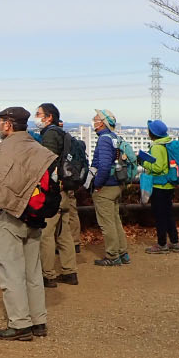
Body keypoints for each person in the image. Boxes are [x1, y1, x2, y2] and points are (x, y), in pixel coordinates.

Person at [0, 106, 56, 341]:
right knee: (32, 272)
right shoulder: (37, 147)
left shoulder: (6, 150)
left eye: (0, 122)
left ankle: (19, 323)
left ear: (8, 124)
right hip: (36, 215)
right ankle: (39, 321)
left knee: (11, 270)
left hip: (11, 215)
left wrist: (10, 204)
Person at [34, 103, 78, 287]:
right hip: (66, 189)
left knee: (47, 234)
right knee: (64, 233)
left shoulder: (50, 134)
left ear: (48, 117)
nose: (35, 117)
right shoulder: (63, 133)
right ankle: (70, 272)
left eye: (38, 114)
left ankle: (48, 274)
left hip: (54, 191)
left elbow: (47, 162)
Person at [89, 109, 129, 267]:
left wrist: (97, 184)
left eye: (96, 119)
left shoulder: (104, 140)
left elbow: (104, 165)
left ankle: (112, 255)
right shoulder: (114, 137)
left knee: (107, 223)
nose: (93, 121)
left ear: (102, 122)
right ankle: (122, 252)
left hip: (106, 186)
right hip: (116, 184)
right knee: (115, 220)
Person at [140, 119, 179, 254]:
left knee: (160, 216)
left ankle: (162, 244)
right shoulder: (167, 143)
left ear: (153, 133)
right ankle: (174, 242)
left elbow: (157, 167)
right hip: (169, 184)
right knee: (168, 214)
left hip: (159, 185)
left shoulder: (157, 147)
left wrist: (143, 162)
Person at [57, 119, 83, 254]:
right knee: (72, 211)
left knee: (61, 214)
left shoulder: (57, 141)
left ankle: (62, 243)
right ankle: (75, 242)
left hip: (61, 182)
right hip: (71, 181)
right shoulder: (71, 140)